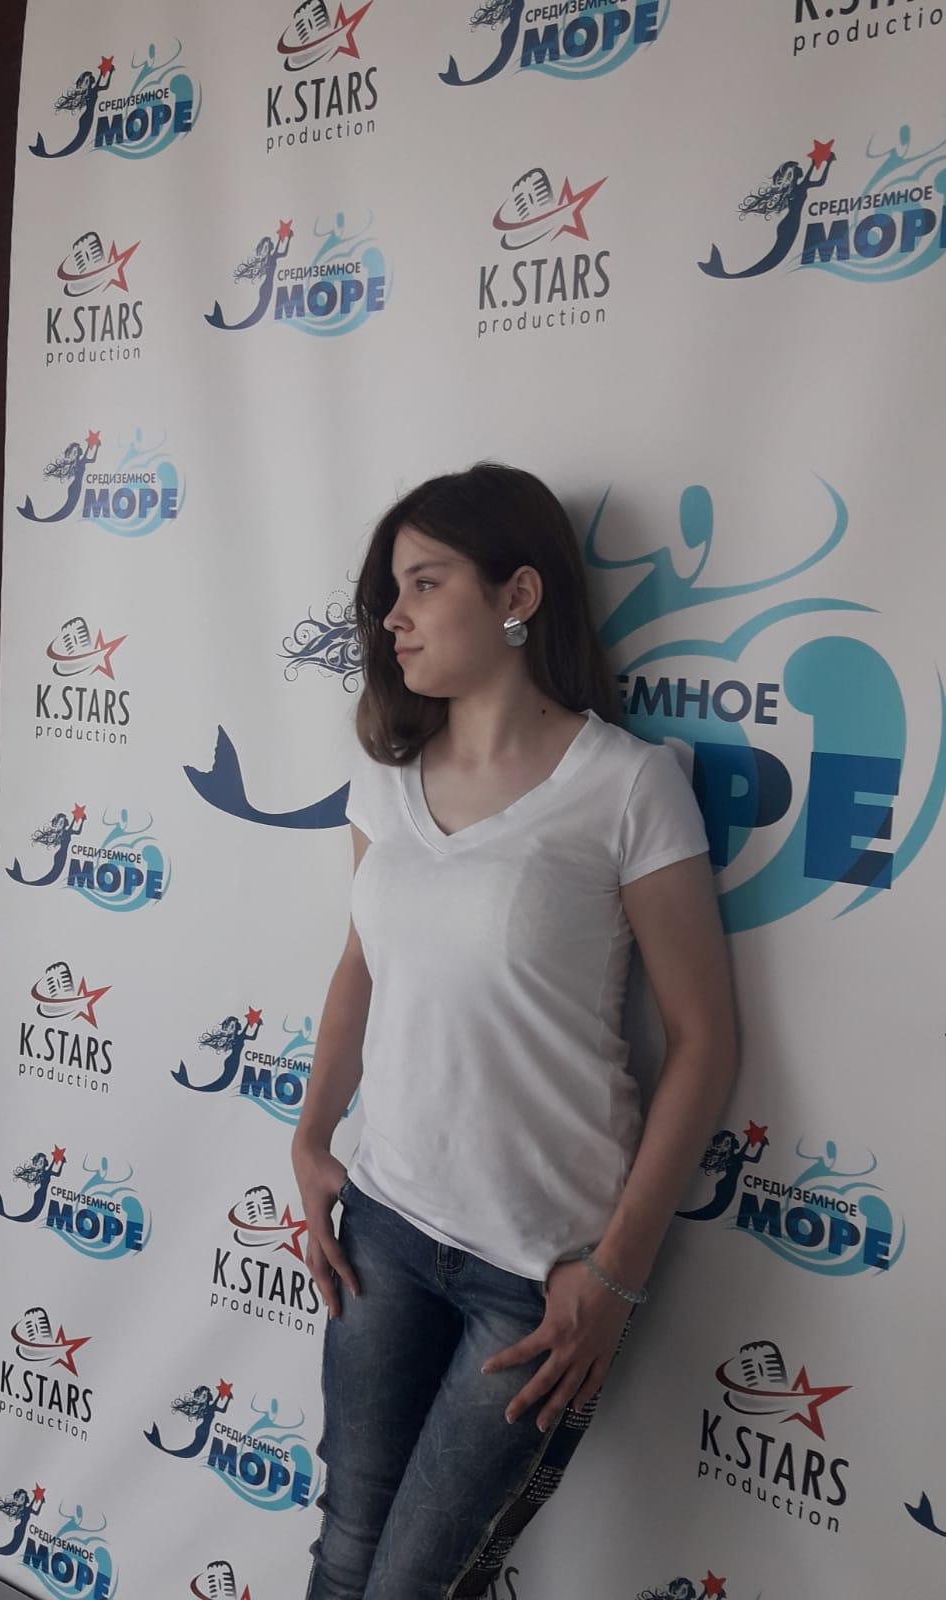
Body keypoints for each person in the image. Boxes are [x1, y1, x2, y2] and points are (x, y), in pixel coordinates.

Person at [293, 463, 737, 1598]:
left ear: (518, 594)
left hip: (535, 1279)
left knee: (415, 1583)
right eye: (388, 593)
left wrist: (615, 1273)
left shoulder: (627, 787)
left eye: (424, 583)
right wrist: (310, 1134)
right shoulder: (385, 780)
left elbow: (703, 1040)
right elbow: (360, 965)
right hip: (382, 1230)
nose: (391, 618)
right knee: (344, 1554)